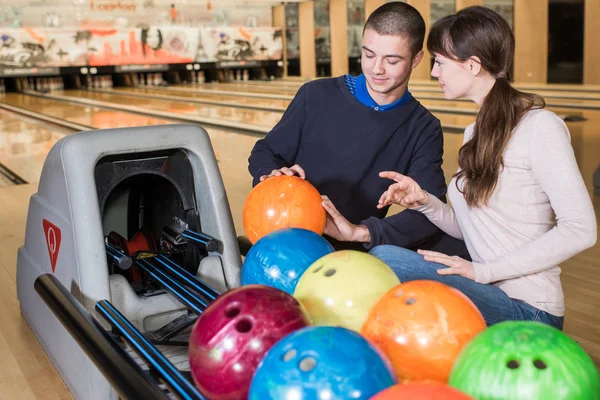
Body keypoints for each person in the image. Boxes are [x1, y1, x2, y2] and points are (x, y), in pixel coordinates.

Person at [369, 6, 597, 330]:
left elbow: (580, 229)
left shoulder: (538, 127)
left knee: (385, 259)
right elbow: (474, 231)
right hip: (491, 294)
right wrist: (425, 203)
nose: (434, 72)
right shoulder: (474, 132)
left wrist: (481, 272)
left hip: (530, 309)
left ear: (472, 65)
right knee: (388, 255)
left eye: (440, 62)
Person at [248, 2, 469, 257]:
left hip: (351, 252)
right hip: (288, 237)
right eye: (369, 54)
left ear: (416, 59)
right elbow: (265, 151)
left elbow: (428, 212)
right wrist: (271, 173)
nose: (376, 69)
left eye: (392, 60)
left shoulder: (423, 127)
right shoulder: (316, 95)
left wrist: (360, 232)